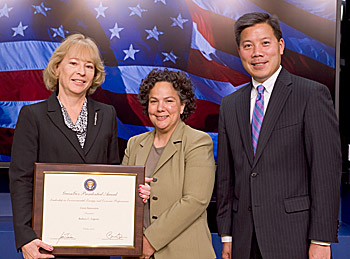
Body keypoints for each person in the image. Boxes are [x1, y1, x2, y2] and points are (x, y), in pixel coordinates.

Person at [9, 34, 150, 259]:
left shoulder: (106, 114)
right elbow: (21, 179)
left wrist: (135, 190)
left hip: (97, 242)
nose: (81, 72)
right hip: (48, 244)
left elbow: (112, 174)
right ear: (57, 68)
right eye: (73, 63)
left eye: (89, 66)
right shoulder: (33, 115)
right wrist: (26, 238)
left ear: (95, 74)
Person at [215, 12, 342, 259]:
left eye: (265, 43)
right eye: (248, 45)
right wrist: (227, 236)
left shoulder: (311, 95)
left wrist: (321, 239)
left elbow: (325, 171)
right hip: (243, 238)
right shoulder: (230, 105)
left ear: (280, 46)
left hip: (294, 237)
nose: (257, 53)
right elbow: (226, 177)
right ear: (239, 51)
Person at [122, 68, 216, 259]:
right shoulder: (134, 144)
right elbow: (121, 196)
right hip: (136, 254)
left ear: (182, 106)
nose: (160, 108)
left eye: (169, 101)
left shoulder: (198, 141)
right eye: (154, 101)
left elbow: (196, 200)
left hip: (184, 253)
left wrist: (149, 242)